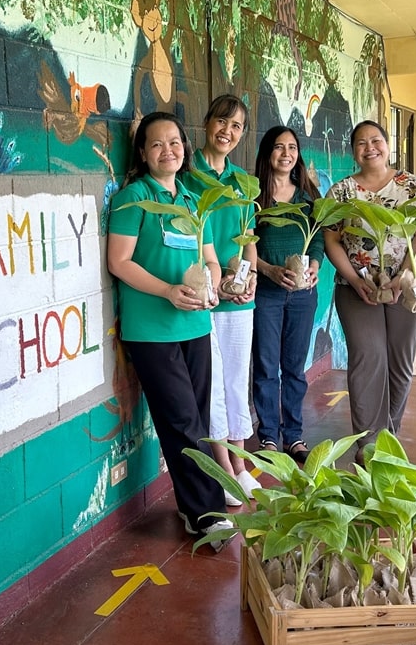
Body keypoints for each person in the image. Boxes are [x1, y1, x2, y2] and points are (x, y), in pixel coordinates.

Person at [106, 111, 232, 546]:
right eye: (157, 144)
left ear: (185, 148)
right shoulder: (132, 199)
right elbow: (118, 262)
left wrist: (212, 286)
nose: (168, 150)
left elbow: (212, 260)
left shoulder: (194, 201)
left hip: (195, 323)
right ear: (143, 152)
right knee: (181, 420)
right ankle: (206, 513)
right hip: (152, 329)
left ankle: (189, 504)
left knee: (195, 416)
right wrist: (167, 291)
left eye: (175, 142)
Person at [324, 120, 416, 463]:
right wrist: (356, 280)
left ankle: (390, 434)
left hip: (405, 288)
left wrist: (402, 275)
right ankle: (368, 445)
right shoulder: (341, 192)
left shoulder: (412, 185)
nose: (369, 147)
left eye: (376, 140)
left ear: (388, 145)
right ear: (353, 150)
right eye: (360, 142)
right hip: (356, 289)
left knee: (400, 360)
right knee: (367, 358)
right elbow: (331, 238)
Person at [183, 94, 262, 500]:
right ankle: (223, 470)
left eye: (236, 127)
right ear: (206, 122)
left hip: (238, 297)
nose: (227, 132)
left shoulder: (242, 182)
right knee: (211, 383)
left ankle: (241, 463)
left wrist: (249, 281)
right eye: (221, 122)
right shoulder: (186, 174)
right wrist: (216, 282)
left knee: (235, 379)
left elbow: (247, 240)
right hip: (202, 295)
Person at [251, 126, 323, 463]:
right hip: (266, 294)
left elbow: (319, 238)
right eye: (279, 147)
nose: (286, 153)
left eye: (292, 147)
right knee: (266, 367)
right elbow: (246, 244)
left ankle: (294, 436)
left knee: (294, 367)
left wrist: (317, 266)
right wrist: (267, 270)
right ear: (267, 154)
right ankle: (268, 437)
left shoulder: (308, 197)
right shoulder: (254, 198)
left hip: (303, 295)